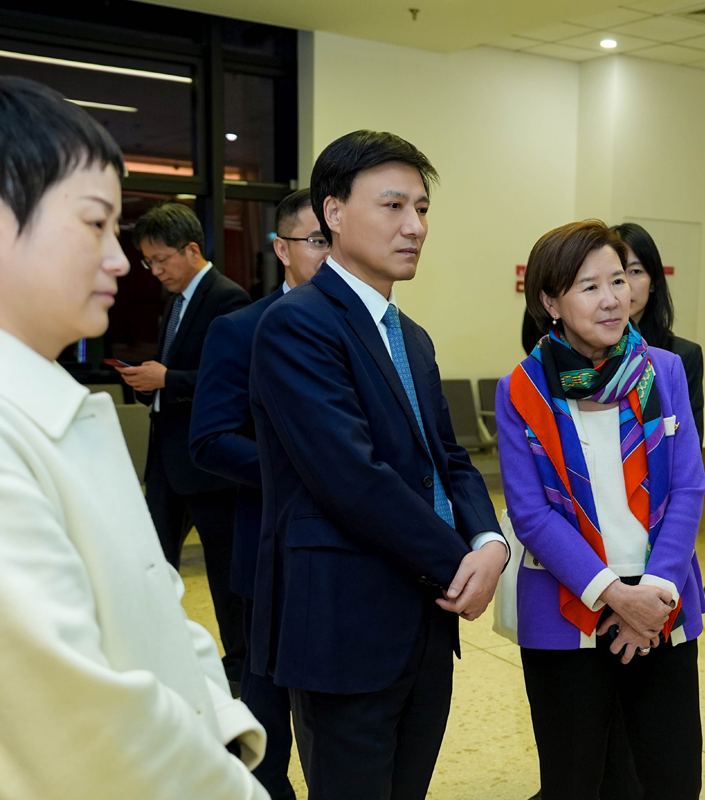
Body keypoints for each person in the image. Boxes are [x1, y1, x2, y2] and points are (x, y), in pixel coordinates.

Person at [0, 77, 267, 798]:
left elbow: (151, 605)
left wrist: (221, 727)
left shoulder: (48, 404)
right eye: (95, 224)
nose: (122, 262)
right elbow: (79, 727)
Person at [249, 130, 508, 800]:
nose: (415, 226)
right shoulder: (298, 324)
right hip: (345, 623)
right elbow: (351, 477)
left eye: (422, 208)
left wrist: (489, 541)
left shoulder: (410, 337)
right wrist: (457, 562)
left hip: (424, 621)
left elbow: (446, 456)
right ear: (334, 213)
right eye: (393, 206)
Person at [497, 220, 705, 800]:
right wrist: (616, 595)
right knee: (575, 781)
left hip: (663, 605)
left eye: (619, 280)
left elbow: (688, 488)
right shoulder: (524, 388)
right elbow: (532, 515)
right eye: (590, 286)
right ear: (550, 300)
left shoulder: (662, 371)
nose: (613, 298)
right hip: (568, 608)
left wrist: (654, 596)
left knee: (671, 777)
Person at [189, 189, 326, 800]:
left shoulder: (377, 331)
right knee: (267, 712)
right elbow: (210, 440)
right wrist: (302, 470)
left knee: (337, 718)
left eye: (335, 240)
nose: (329, 253)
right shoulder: (239, 328)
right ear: (282, 249)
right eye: (316, 242)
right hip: (270, 545)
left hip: (349, 559)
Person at [115, 202, 252, 686]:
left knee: (224, 574)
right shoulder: (175, 301)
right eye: (148, 262)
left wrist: (167, 378)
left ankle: (239, 665)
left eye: (161, 260)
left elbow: (234, 383)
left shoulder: (228, 300)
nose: (155, 271)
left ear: (191, 250)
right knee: (153, 564)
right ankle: (158, 656)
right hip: (167, 460)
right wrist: (147, 382)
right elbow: (172, 370)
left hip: (209, 466)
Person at [611, 222, 705, 444]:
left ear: (653, 282)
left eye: (635, 271)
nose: (625, 284)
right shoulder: (582, 353)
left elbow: (689, 448)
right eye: (616, 273)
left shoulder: (681, 356)